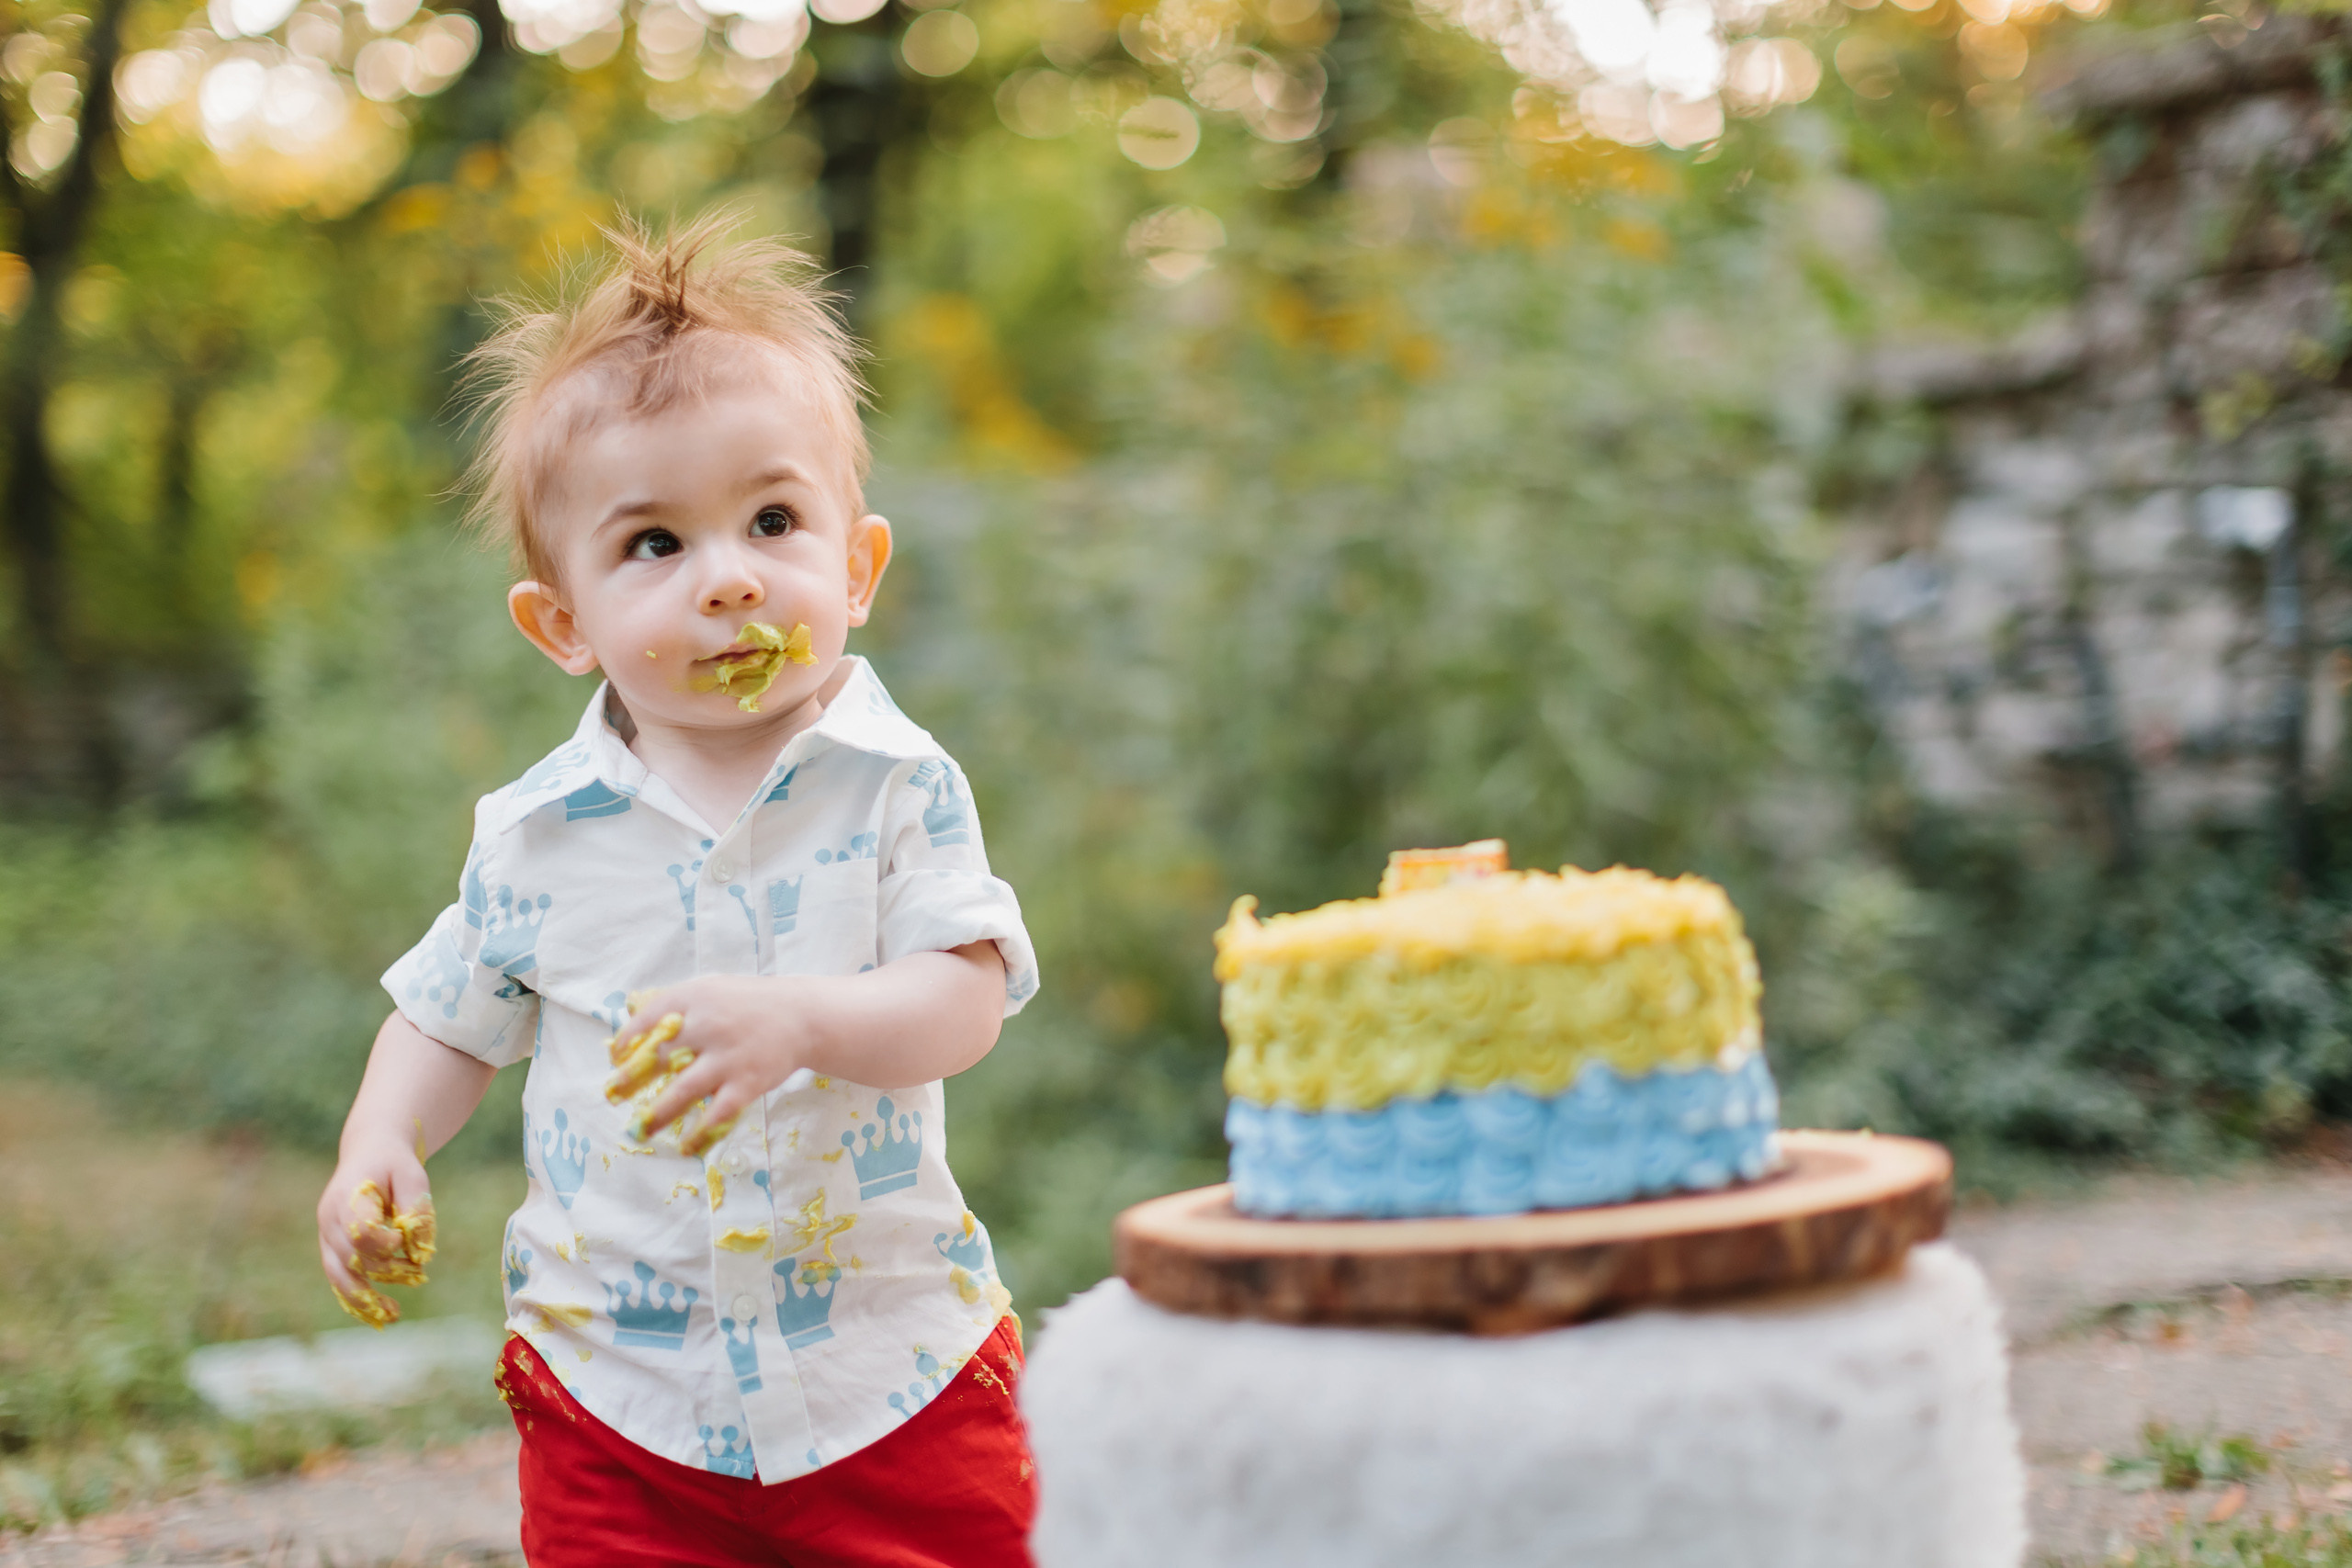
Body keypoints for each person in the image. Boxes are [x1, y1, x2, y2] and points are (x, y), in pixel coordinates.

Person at [313, 216, 1042, 1568]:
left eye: (773, 520)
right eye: (654, 544)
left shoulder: (895, 782)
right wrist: (382, 1144)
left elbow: (965, 1000)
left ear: (857, 569)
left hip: (888, 1381)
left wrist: (808, 1024)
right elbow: (447, 1014)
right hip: (617, 1401)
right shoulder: (534, 834)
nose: (730, 578)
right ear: (564, 623)